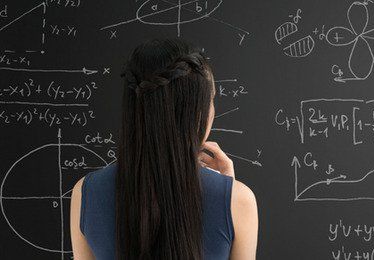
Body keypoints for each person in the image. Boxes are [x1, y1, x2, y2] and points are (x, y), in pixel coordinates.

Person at [69, 38, 258, 260]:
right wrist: (228, 193)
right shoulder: (240, 201)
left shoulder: (85, 193)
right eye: (212, 100)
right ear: (196, 112)